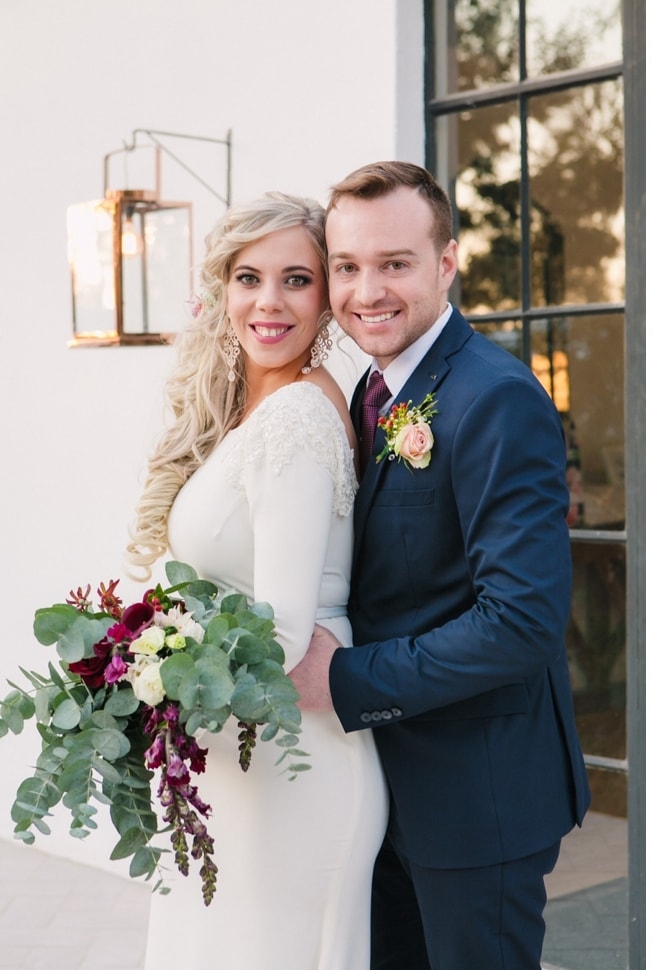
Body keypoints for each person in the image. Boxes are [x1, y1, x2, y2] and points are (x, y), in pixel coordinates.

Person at [289, 160, 591, 969]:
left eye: (395, 263)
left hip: (476, 798)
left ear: (447, 263)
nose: (366, 290)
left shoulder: (496, 396)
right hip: (387, 793)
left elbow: (520, 623)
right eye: (347, 267)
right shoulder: (369, 393)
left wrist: (342, 678)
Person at [124, 192, 387, 968]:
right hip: (231, 767)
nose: (269, 302)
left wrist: (156, 670)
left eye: (296, 280)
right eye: (249, 277)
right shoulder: (251, 412)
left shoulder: (299, 420)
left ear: (327, 300)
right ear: (222, 288)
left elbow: (279, 632)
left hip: (293, 771)